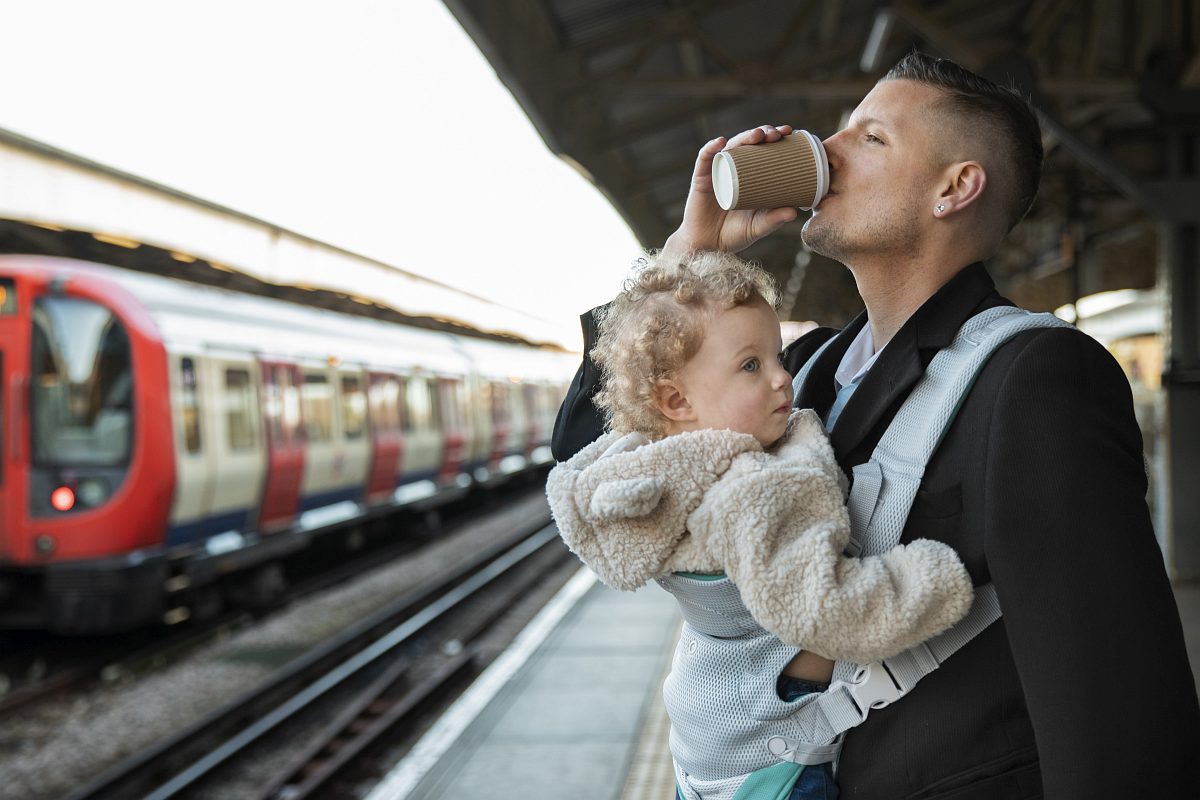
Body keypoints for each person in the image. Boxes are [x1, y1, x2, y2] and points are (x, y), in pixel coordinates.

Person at [552, 51, 1200, 799]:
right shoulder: (803, 366)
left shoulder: (1038, 377)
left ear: (954, 188)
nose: (823, 150)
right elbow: (594, 465)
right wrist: (686, 259)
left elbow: (1115, 709)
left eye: (870, 139)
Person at [547, 251, 975, 800]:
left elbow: (572, 451)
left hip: (705, 742)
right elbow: (822, 610)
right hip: (773, 766)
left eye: (777, 355)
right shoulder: (749, 490)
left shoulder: (640, 462)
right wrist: (937, 577)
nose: (782, 378)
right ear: (676, 399)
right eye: (751, 365)